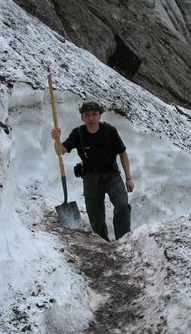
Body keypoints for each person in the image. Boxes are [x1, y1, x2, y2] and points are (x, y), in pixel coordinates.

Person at [51, 101, 135, 241]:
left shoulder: (110, 131)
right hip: (90, 177)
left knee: (122, 204)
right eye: (87, 115)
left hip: (112, 175)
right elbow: (60, 151)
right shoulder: (78, 133)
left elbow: (123, 153)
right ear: (82, 117)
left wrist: (128, 178)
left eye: (94, 114)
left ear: (100, 115)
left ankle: (123, 239)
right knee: (95, 214)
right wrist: (57, 140)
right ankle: (103, 242)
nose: (91, 118)